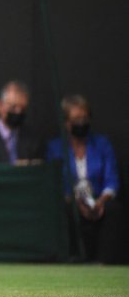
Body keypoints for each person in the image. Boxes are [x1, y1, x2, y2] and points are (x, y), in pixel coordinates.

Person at [46, 94, 121, 263]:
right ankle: (70, 259)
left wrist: (101, 201)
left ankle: (104, 262)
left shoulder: (102, 144)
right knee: (61, 211)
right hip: (69, 202)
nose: (81, 123)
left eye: (85, 118)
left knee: (114, 210)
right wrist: (76, 202)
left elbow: (112, 180)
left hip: (99, 200)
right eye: (76, 119)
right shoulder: (55, 148)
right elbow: (54, 183)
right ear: (66, 123)